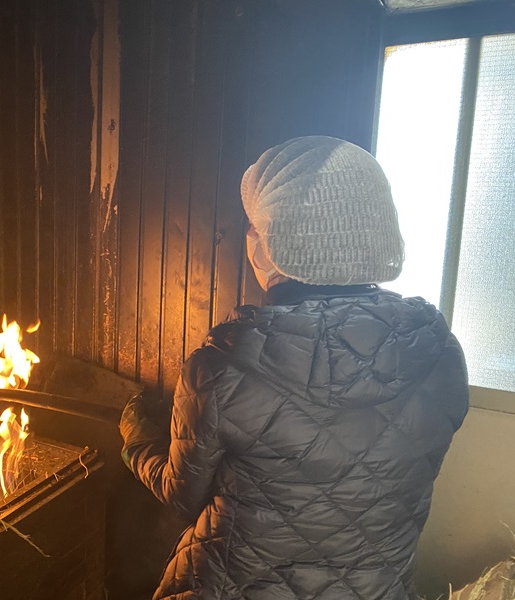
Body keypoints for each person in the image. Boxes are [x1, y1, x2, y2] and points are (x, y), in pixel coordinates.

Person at [119, 135, 469, 600]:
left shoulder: (221, 367)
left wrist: (135, 439)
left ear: (266, 248)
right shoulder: (442, 355)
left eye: (254, 230)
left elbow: (183, 496)